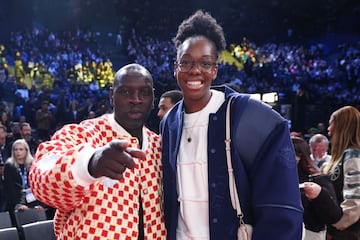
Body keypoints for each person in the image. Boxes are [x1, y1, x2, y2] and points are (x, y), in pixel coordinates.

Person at [160, 10, 303, 240]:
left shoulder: (250, 115)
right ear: (176, 67)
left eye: (205, 63)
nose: (195, 70)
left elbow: (281, 207)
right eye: (186, 62)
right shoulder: (170, 122)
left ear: (215, 70)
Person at [29, 63, 167, 239]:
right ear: (111, 95)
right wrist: (89, 165)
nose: (136, 99)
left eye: (144, 92)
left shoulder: (160, 146)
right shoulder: (83, 134)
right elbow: (40, 179)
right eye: (126, 92)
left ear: (153, 98)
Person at [306, 106, 360, 239]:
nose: (329, 129)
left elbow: (355, 200)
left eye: (331, 123)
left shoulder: (352, 156)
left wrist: (336, 226)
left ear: (342, 126)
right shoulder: (341, 157)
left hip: (348, 233)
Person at [291, 136, 341, 240]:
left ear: (299, 156)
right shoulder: (276, 180)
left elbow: (334, 215)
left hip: (310, 234)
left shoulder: (318, 179)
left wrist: (320, 194)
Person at [3, 139, 48, 224]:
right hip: (17, 201)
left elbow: (38, 186)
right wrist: (18, 204)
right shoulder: (9, 166)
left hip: (33, 200)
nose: (18, 152)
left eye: (21, 149)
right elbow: (9, 189)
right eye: (15, 150)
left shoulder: (33, 164)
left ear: (26, 151)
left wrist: (41, 204)